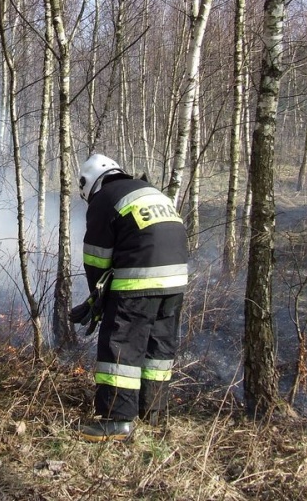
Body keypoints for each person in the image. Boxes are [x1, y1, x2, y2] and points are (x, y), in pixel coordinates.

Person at [73, 154, 189, 442]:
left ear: (90, 184)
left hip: (139, 279)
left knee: (121, 345)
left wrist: (96, 301)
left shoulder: (104, 198)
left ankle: (117, 419)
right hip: (176, 279)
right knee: (158, 345)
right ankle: (152, 411)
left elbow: (96, 258)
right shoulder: (149, 191)